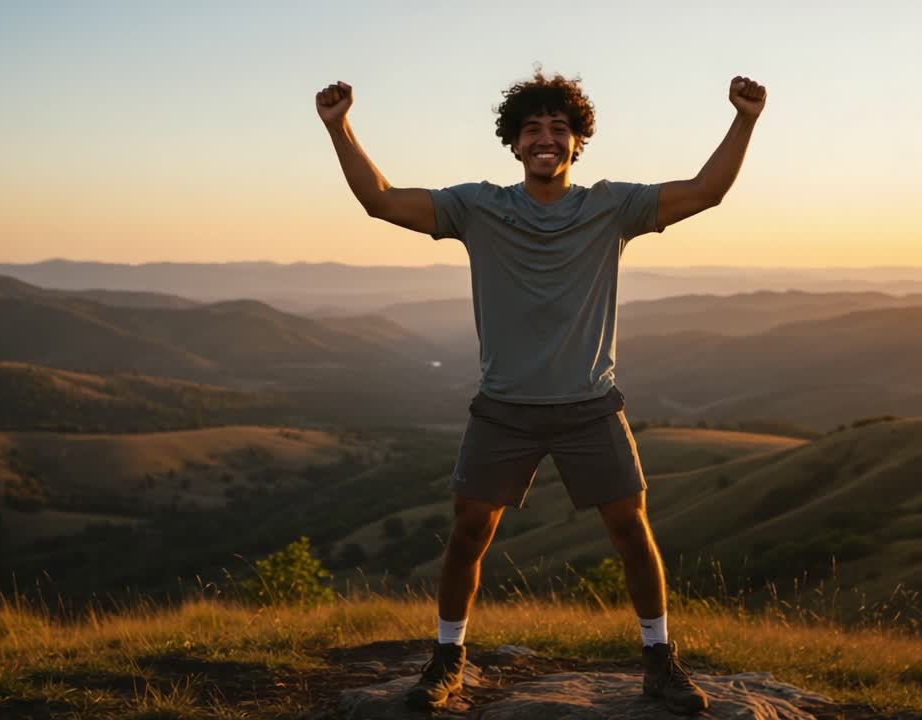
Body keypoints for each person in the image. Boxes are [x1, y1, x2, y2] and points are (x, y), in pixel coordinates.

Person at [315, 68, 765, 715]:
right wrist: (340, 127)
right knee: (469, 529)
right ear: (515, 143)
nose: (545, 139)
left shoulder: (612, 207)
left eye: (559, 128)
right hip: (504, 409)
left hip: (590, 406)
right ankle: (447, 659)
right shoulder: (478, 208)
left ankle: (660, 661)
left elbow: (707, 191)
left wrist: (745, 118)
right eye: (533, 129)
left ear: (578, 141)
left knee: (631, 529)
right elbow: (381, 200)